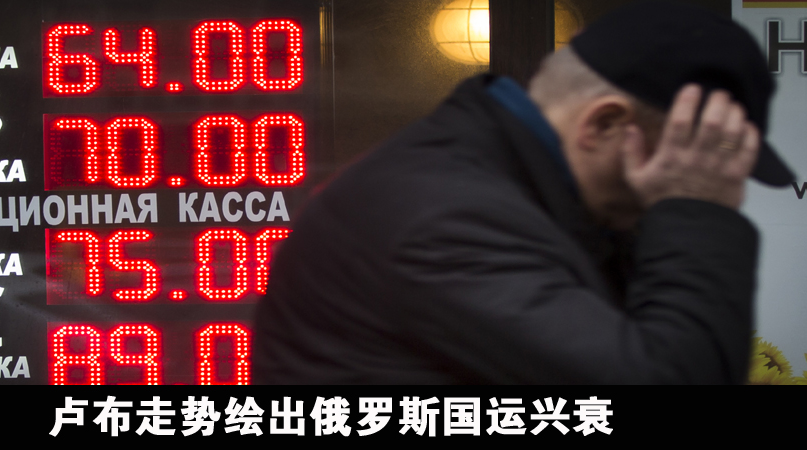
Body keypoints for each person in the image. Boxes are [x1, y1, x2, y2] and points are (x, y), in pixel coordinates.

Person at [252, 1, 795, 383]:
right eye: (687, 159)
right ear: (604, 125)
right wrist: (695, 211)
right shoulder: (448, 218)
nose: (713, 185)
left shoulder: (510, 189)